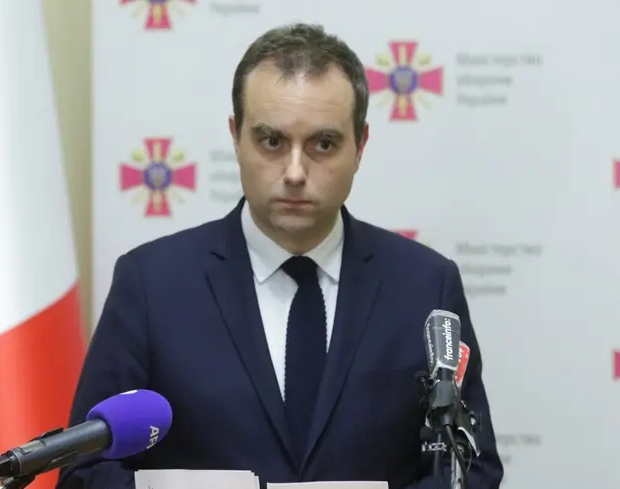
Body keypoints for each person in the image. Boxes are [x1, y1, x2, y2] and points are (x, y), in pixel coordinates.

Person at [57, 23, 504, 489]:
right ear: (236, 137)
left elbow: (471, 469)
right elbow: (85, 473)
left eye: (323, 144)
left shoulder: (425, 286)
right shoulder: (151, 284)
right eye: (272, 141)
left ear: (360, 146)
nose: (294, 172)